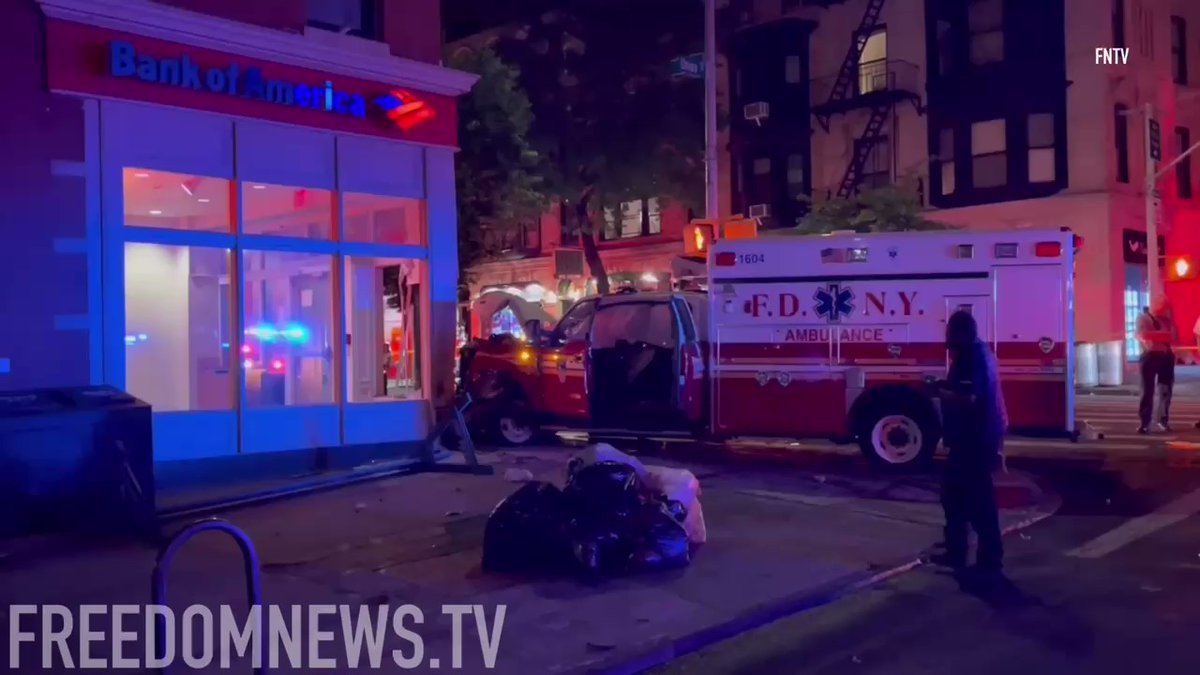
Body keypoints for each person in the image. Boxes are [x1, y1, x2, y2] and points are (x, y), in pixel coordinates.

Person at [932, 310, 1006, 576]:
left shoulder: (971, 358)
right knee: (955, 496)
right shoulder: (980, 352)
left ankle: (986, 559)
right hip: (978, 437)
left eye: (951, 332)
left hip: (973, 440)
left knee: (976, 501)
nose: (947, 338)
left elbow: (969, 397)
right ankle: (959, 550)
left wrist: (940, 391)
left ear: (962, 333)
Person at [1136, 297, 1176, 434]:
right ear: (1155, 305)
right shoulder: (1143, 318)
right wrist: (1162, 335)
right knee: (1147, 390)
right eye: (1164, 306)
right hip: (1150, 356)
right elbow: (1143, 335)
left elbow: (1172, 336)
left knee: (1166, 390)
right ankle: (1145, 422)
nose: (1167, 309)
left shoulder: (1167, 321)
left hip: (1166, 356)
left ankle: (1163, 420)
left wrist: (1157, 336)